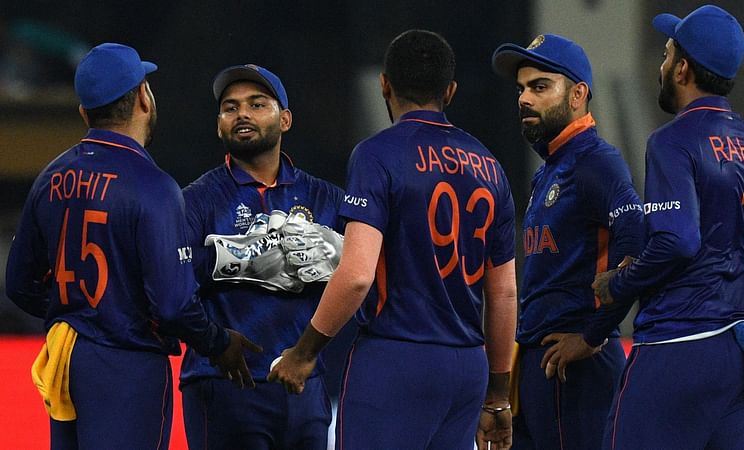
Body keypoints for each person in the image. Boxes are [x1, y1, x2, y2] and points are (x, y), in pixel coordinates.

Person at [268, 29, 518, 450]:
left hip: (397, 359)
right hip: (467, 367)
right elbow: (506, 293)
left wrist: (305, 352)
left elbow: (358, 276)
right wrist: (497, 395)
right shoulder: (490, 166)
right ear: (450, 91)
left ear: (385, 84)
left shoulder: (378, 154)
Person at [4, 43, 260, 450]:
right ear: (144, 95)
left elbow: (19, 285)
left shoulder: (50, 177)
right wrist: (218, 343)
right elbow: (174, 306)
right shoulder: (152, 186)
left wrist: (80, 314)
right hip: (127, 363)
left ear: (85, 113)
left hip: (67, 359)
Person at [592, 5, 744, 449]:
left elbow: (677, 241)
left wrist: (620, 282)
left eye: (666, 55)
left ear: (682, 69)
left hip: (678, 347)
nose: (661, 66)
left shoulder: (673, 140)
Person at [491, 34, 645, 449]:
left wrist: (593, 334)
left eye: (540, 87)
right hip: (540, 365)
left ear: (578, 94)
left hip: (576, 368)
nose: (524, 98)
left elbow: (636, 241)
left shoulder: (596, 161)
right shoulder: (551, 169)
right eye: (522, 89)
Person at [179, 64, 344, 450]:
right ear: (219, 124)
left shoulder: (327, 199)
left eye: (257, 104)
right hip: (224, 384)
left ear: (285, 119)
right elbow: (175, 290)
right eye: (230, 108)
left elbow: (361, 282)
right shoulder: (195, 200)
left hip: (305, 384)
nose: (242, 115)